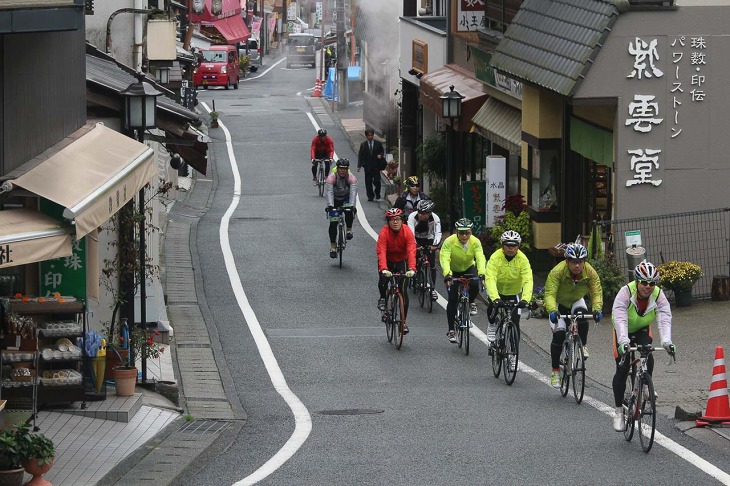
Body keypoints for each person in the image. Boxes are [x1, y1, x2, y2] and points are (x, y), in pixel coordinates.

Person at [611, 260, 675, 431]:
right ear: (637, 281)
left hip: (642, 328)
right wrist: (623, 342)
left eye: (652, 283)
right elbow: (619, 318)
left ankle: (645, 384)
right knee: (623, 368)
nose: (648, 286)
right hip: (623, 329)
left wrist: (667, 341)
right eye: (644, 282)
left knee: (648, 352)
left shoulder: (658, 294)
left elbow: (665, 317)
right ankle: (618, 412)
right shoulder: (625, 292)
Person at [544, 243, 603, 387]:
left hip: (577, 301)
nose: (577, 265)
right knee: (559, 335)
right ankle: (555, 371)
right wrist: (552, 310)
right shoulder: (557, 271)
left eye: (581, 261)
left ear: (584, 262)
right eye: (574, 262)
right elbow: (550, 293)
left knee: (582, 316)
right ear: (567, 261)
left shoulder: (590, 272)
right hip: (559, 304)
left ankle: (583, 345)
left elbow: (596, 292)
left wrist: (597, 309)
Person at [439, 218, 486, 343]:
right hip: (453, 270)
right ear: (457, 232)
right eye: (461, 232)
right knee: (453, 298)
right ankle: (451, 330)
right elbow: (445, 258)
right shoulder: (449, 241)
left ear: (471, 232)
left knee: (475, 284)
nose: (464, 235)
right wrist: (447, 274)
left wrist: (482, 273)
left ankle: (470, 302)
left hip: (468, 267)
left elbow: (480, 257)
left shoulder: (475, 242)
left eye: (467, 232)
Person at [484, 230, 533, 341]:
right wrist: (495, 298)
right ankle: (491, 325)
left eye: (514, 245)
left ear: (518, 246)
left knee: (515, 321)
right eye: (507, 245)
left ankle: (513, 354)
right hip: (497, 290)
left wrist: (525, 299)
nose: (510, 248)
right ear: (502, 246)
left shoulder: (523, 260)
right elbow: (490, 278)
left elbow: (528, 280)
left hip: (514, 292)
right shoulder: (495, 258)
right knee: (493, 306)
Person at [376, 208, 417, 334]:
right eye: (392, 220)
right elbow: (381, 251)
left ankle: (403, 322)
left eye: (398, 219)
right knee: (384, 280)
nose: (395, 222)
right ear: (388, 222)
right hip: (387, 260)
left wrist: (412, 268)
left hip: (401, 260)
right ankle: (383, 298)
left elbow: (411, 250)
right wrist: (383, 268)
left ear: (402, 220)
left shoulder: (407, 232)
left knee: (403, 291)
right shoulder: (384, 233)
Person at [406, 199, 442, 301]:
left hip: (428, 238)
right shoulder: (412, 216)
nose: (421, 215)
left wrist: (435, 245)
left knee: (432, 263)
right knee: (414, 255)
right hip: (416, 237)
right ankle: (415, 272)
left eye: (424, 213)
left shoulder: (435, 218)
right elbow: (410, 233)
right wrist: (415, 246)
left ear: (429, 213)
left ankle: (433, 289)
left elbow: (438, 233)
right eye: (419, 212)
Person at [325, 159, 358, 258]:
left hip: (346, 198)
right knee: (333, 222)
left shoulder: (352, 178)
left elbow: (353, 193)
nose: (343, 171)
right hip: (335, 199)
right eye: (341, 169)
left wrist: (352, 206)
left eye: (345, 169)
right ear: (337, 169)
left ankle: (348, 229)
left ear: (347, 169)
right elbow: (329, 193)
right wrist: (330, 205)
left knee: (348, 210)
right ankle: (333, 246)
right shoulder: (331, 178)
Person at [357, 129, 385, 201]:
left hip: (376, 166)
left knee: (377, 181)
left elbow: (382, 151)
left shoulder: (378, 143)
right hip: (367, 166)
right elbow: (360, 155)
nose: (370, 137)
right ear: (366, 136)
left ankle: (377, 193)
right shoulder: (363, 145)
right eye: (369, 135)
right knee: (368, 182)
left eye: (372, 135)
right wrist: (359, 165)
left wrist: (380, 155)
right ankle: (370, 196)